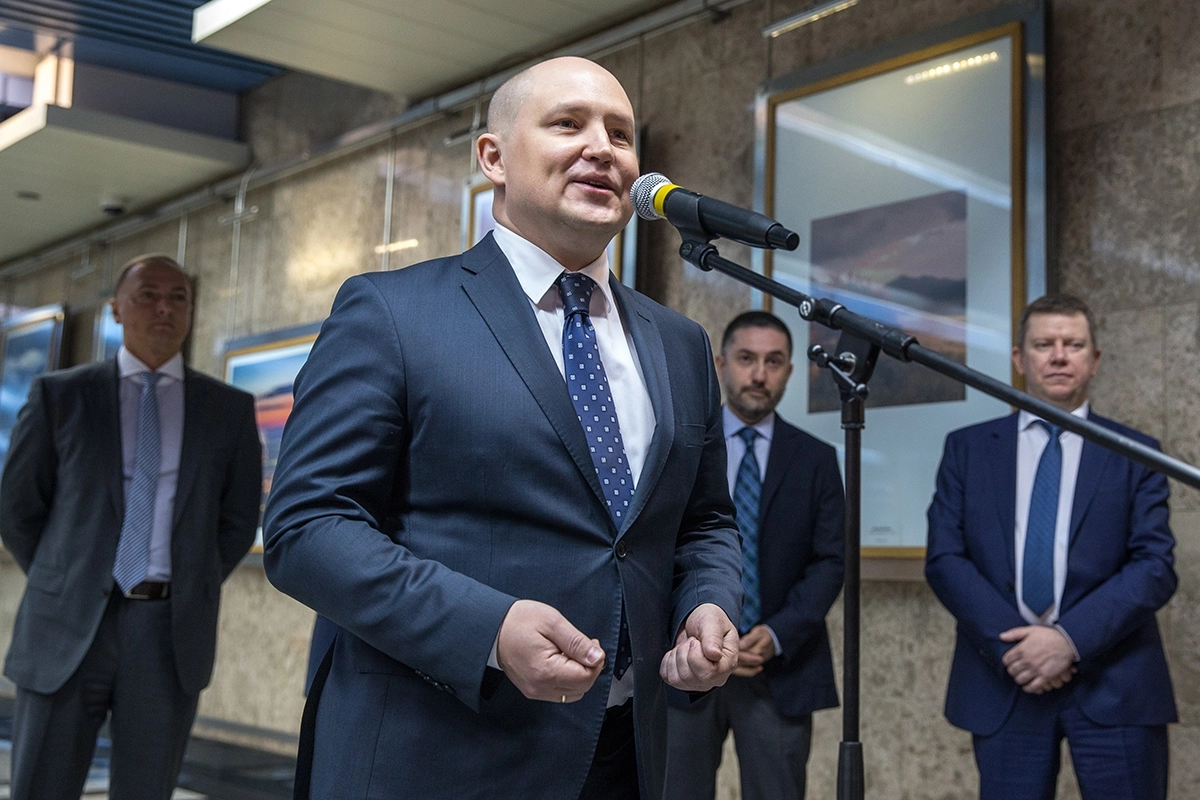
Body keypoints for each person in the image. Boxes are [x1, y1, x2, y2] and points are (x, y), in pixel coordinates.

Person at [261, 56, 742, 800]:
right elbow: (308, 528)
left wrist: (707, 603)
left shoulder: (679, 343)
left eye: (620, 134)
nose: (602, 148)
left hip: (624, 755)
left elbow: (704, 521)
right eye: (567, 124)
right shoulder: (392, 312)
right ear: (493, 158)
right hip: (435, 751)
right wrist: (487, 628)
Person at [0, 254, 262, 800]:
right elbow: (17, 508)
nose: (164, 308)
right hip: (65, 628)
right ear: (117, 308)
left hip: (168, 635)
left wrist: (190, 579)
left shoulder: (228, 410)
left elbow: (238, 520)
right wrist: (62, 576)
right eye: (148, 295)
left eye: (178, 297)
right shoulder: (60, 396)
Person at [925, 293, 1176, 800]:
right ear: (1020, 359)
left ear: (1094, 359)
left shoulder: (1138, 453)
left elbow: (1154, 566)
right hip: (1006, 681)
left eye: (1073, 345)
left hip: (1116, 684)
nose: (1059, 356)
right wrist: (1017, 650)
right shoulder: (968, 449)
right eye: (1044, 345)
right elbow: (945, 559)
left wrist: (1067, 640)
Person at [665, 311, 844, 800]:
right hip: (687, 660)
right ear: (721, 364)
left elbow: (830, 561)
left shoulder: (817, 458)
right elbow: (658, 547)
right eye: (747, 359)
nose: (759, 374)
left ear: (790, 371)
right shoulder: (680, 448)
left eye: (774, 361)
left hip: (779, 668)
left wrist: (777, 633)